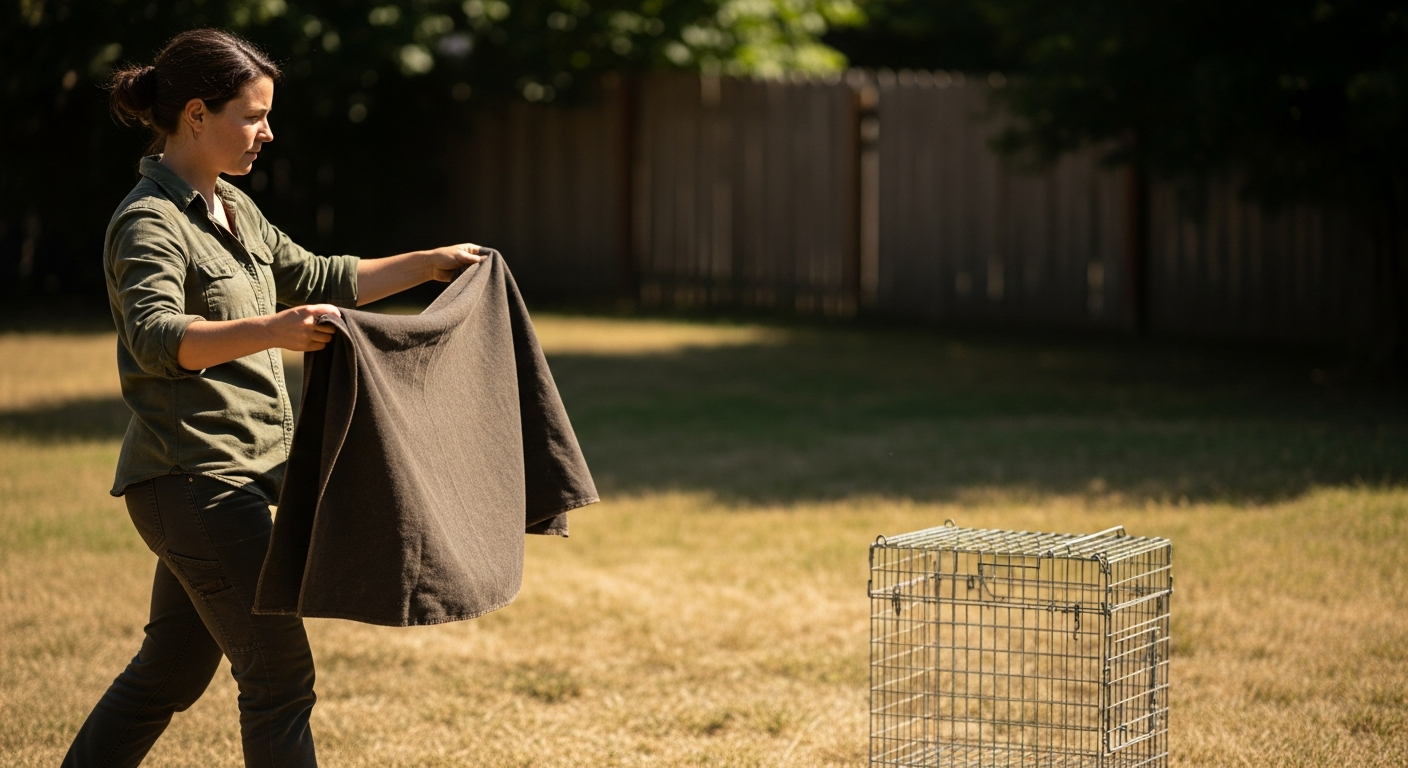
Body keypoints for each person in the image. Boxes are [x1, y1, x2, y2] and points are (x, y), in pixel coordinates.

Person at [63, 28, 482, 767]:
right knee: (280, 678)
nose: (267, 131)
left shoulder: (234, 209)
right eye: (252, 115)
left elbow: (320, 275)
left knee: (169, 672)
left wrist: (432, 263)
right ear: (197, 114)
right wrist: (271, 329)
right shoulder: (148, 222)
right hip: (195, 482)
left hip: (233, 483)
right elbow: (159, 337)